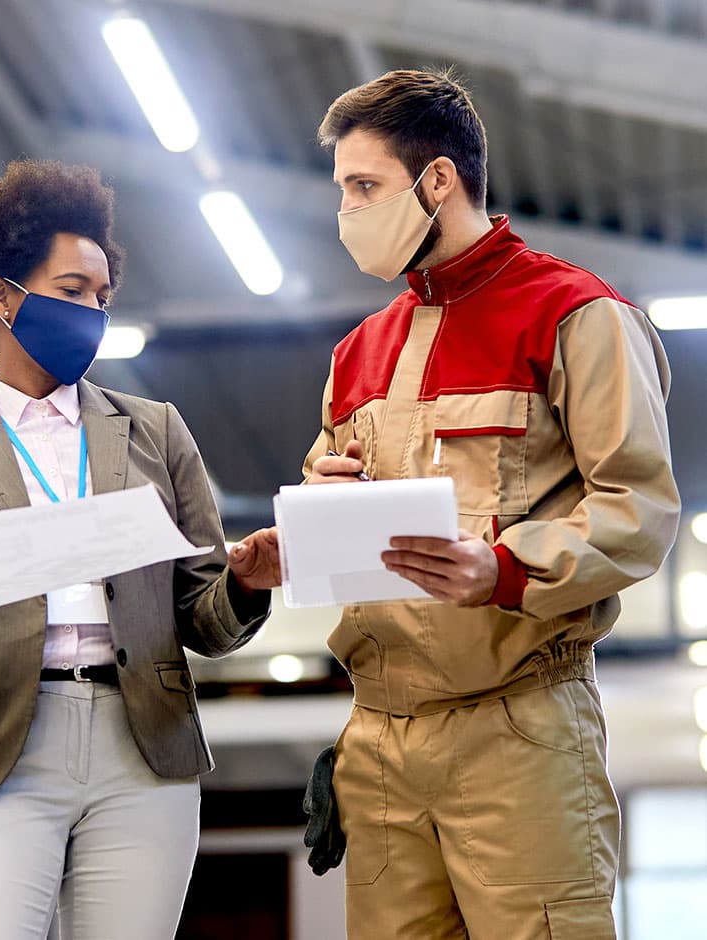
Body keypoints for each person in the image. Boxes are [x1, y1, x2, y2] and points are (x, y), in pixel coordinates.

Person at [0, 159, 280, 940]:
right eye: (72, 290)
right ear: (2, 296)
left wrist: (246, 586)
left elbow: (207, 623)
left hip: (141, 741)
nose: (92, 310)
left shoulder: (155, 431)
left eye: (102, 296)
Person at [303, 68, 679, 939]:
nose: (349, 213)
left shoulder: (574, 314)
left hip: (519, 727)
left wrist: (506, 569)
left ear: (438, 180)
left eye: (366, 187)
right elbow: (323, 506)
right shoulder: (360, 350)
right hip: (380, 741)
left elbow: (639, 504)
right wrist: (321, 495)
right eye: (342, 192)